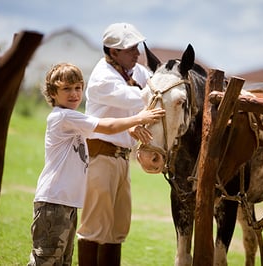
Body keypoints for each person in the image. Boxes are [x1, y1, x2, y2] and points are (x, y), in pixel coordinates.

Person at [28, 63, 164, 266]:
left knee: (62, 261)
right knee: (46, 261)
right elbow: (105, 126)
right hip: (54, 202)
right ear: (52, 93)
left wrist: (130, 128)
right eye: (66, 88)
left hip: (67, 203)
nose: (74, 94)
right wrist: (139, 117)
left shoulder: (74, 119)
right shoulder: (62, 117)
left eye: (78, 88)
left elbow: (100, 128)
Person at [77, 22, 152, 265]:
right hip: (100, 156)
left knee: (117, 230)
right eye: (130, 49)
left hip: (121, 157)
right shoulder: (102, 78)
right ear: (113, 52)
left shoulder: (135, 72)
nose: (137, 54)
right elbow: (138, 98)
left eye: (136, 48)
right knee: (93, 229)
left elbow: (153, 84)